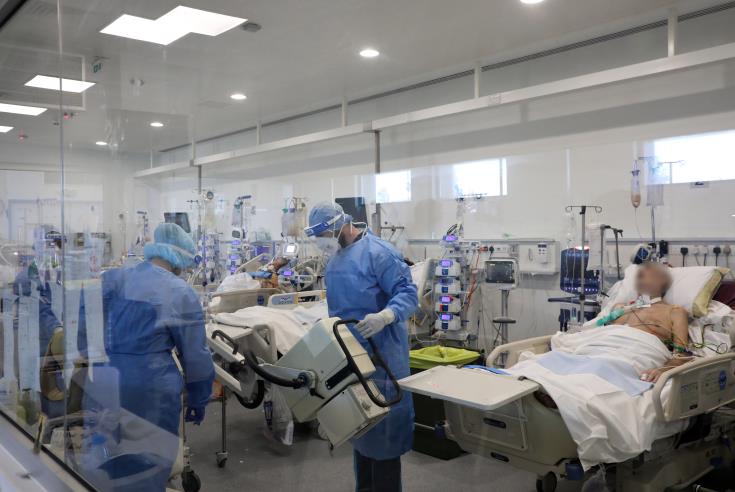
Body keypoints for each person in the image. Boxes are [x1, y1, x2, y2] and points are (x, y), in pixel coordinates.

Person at [80, 223, 214, 491]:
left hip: (104, 379)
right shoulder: (179, 291)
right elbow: (195, 357)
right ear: (179, 258)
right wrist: (199, 398)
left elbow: (83, 326)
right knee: (145, 466)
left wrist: (98, 355)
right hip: (149, 389)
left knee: (103, 460)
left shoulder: (113, 278)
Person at [305, 202, 418, 492]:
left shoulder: (379, 253)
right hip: (351, 360)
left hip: (383, 360)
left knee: (384, 440)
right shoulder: (334, 260)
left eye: (324, 235)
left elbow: (408, 294)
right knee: (361, 432)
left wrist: (386, 316)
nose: (322, 242)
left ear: (341, 225)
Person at [609, 262, 691, 382]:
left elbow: (681, 354)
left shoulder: (674, 312)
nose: (641, 273)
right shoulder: (622, 309)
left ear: (662, 280)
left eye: (649, 271)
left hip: (632, 360)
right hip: (602, 353)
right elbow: (603, 334)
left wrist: (663, 370)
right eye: (639, 275)